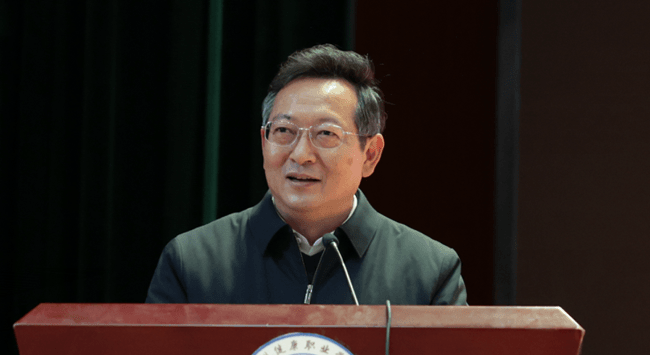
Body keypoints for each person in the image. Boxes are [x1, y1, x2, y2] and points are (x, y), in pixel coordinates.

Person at [146, 44, 467, 305]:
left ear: (370, 154)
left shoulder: (428, 271)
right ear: (264, 142)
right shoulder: (193, 262)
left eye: (326, 134)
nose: (300, 155)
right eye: (284, 131)